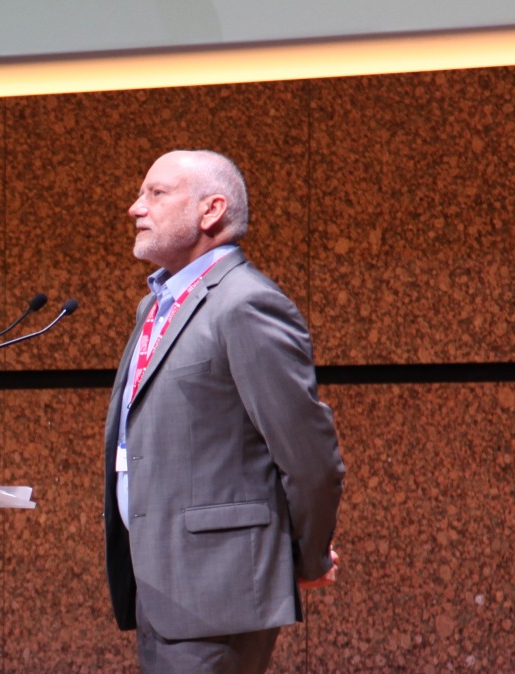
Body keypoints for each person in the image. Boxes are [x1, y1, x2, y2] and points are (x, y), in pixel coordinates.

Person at [103, 149, 346, 673]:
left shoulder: (243, 303)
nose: (135, 208)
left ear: (211, 211)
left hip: (218, 592)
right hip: (161, 586)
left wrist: (305, 557)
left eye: (156, 193)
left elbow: (308, 457)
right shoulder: (158, 304)